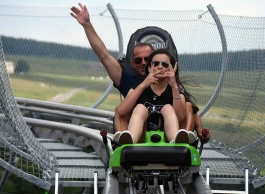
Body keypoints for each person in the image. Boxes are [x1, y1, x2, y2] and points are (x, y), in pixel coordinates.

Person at [70, 3, 210, 143]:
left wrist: (200, 131)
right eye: (138, 60)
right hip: (140, 130)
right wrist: (87, 25)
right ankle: (125, 141)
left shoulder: (172, 84)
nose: (143, 63)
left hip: (167, 131)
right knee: (137, 108)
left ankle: (182, 140)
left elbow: (190, 109)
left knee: (184, 105)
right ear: (133, 63)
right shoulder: (129, 80)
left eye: (147, 59)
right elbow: (104, 56)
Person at [116, 49, 189, 144]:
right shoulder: (137, 89)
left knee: (168, 108)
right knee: (140, 108)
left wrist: (174, 86)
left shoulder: (176, 92)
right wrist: (143, 85)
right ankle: (130, 140)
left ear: (171, 69)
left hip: (165, 138)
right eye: (156, 63)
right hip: (142, 136)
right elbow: (120, 111)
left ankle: (175, 140)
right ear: (149, 68)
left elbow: (180, 117)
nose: (160, 67)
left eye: (165, 64)